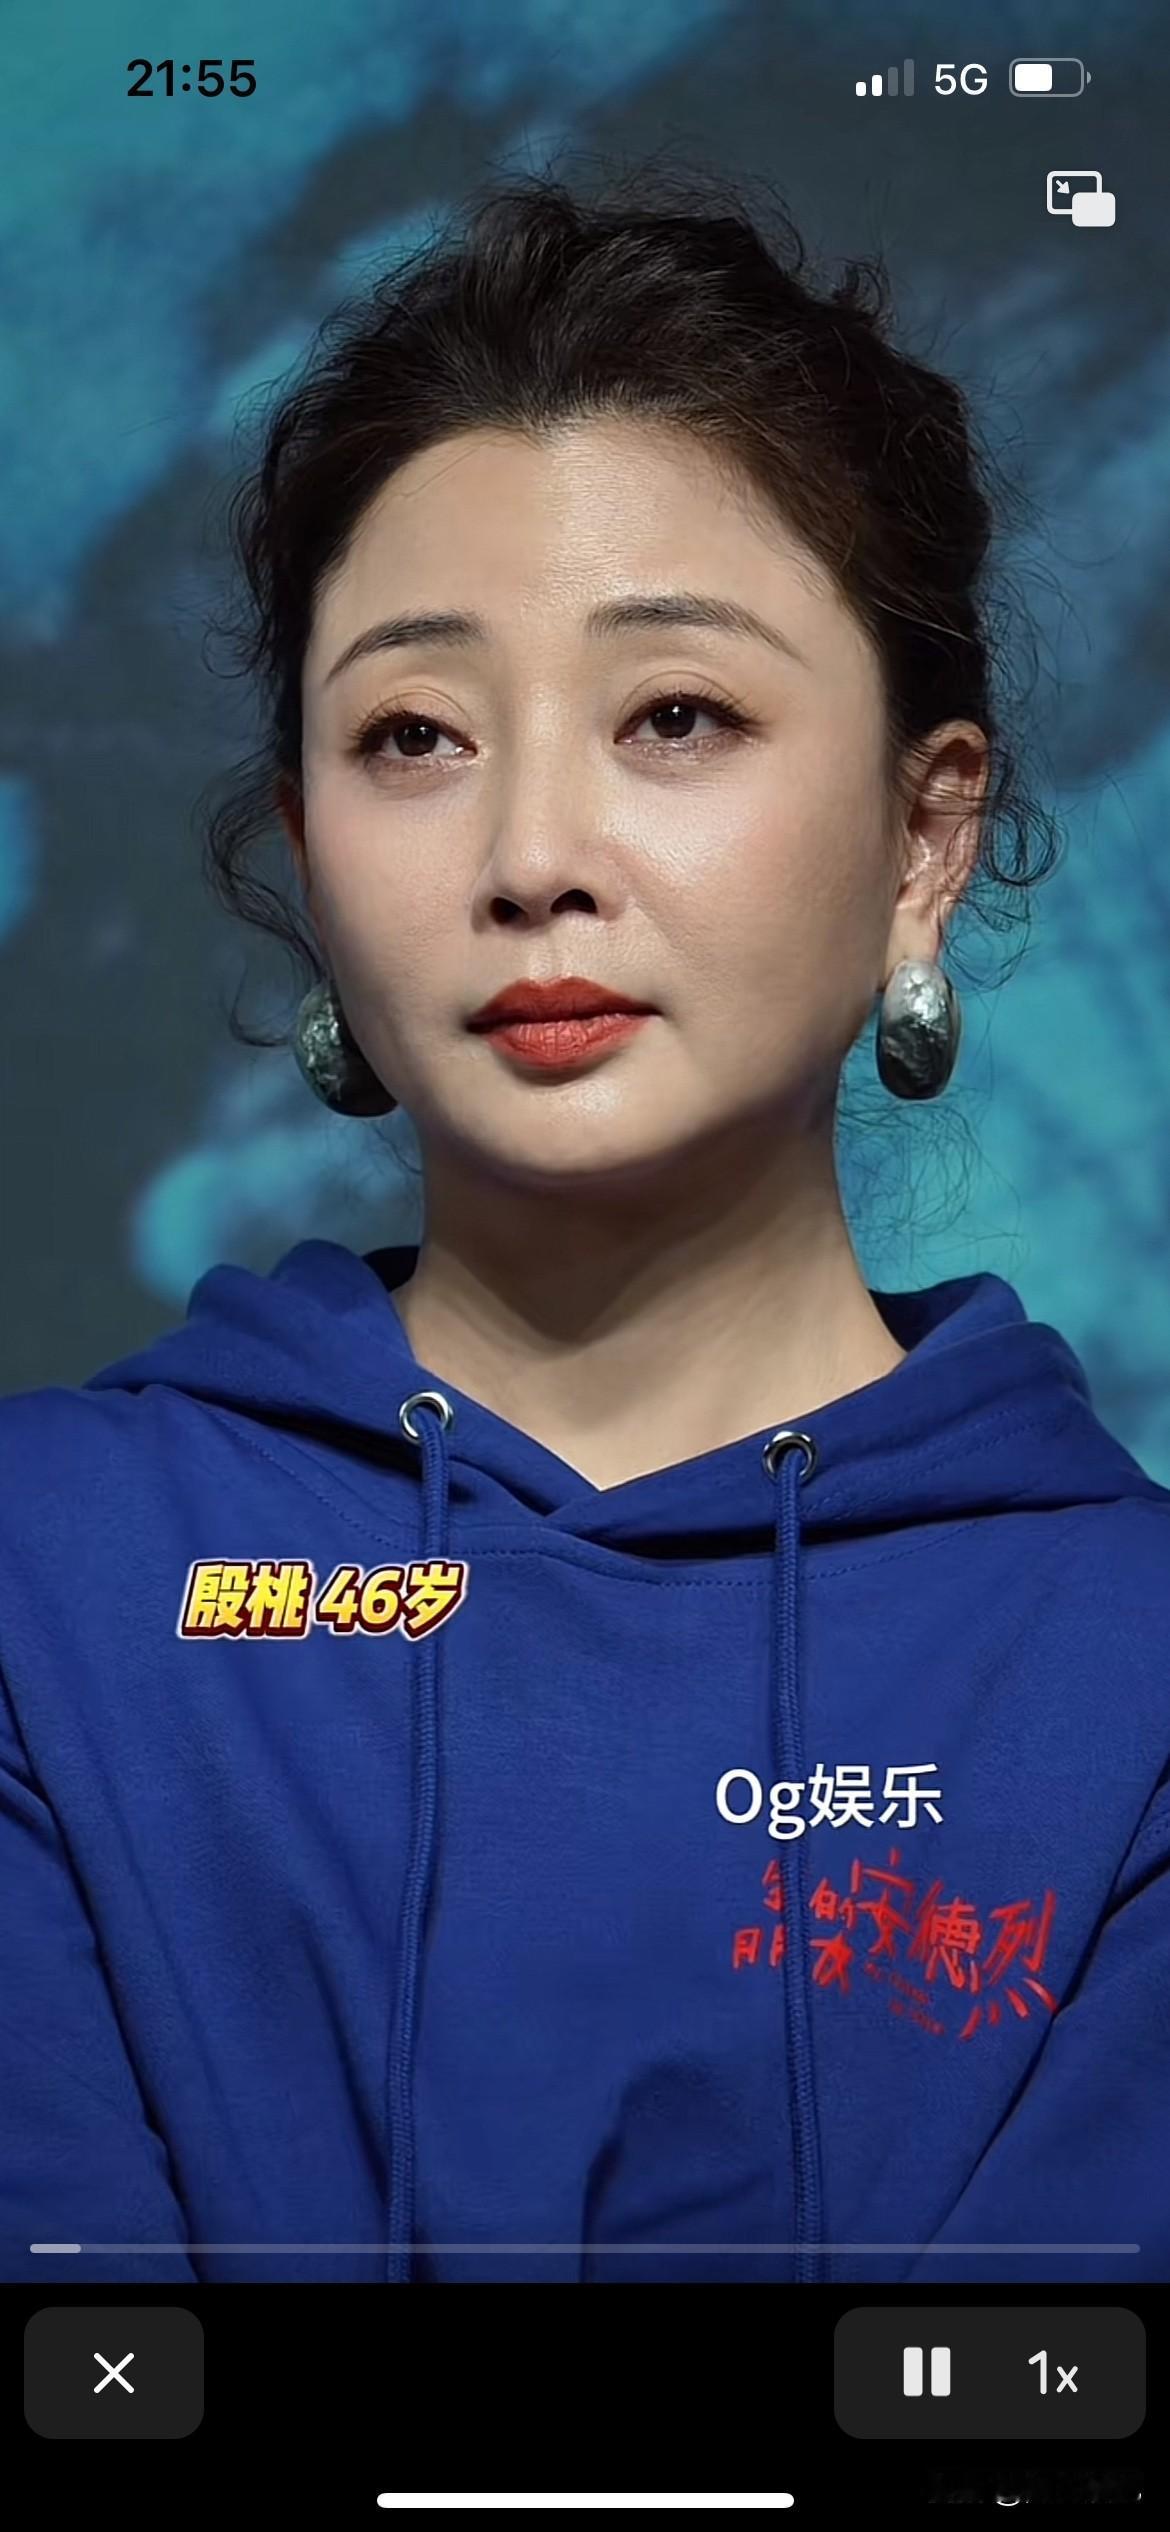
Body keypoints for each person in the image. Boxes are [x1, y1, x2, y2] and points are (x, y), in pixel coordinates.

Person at [1, 166, 1167, 2289]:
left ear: (926, 837)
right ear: (307, 859)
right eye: (415, 737)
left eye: (675, 717)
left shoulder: (1131, 1664)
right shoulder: (49, 1578)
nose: (533, 852)